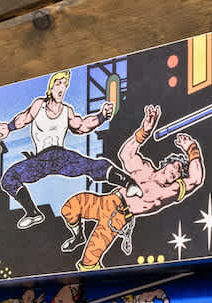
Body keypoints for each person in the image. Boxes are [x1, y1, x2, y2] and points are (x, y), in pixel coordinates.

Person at [57, 105, 204, 270]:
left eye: (180, 173)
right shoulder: (145, 168)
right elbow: (125, 154)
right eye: (176, 166)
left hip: (117, 218)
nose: (176, 173)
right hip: (106, 201)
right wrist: (144, 131)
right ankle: (78, 236)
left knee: (88, 262)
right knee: (69, 208)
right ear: (167, 163)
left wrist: (192, 148)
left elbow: (196, 179)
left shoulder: (170, 191)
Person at [0, 70, 117, 227]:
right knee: (8, 179)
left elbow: (82, 126)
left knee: (93, 166)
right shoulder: (39, 104)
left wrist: (101, 117)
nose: (62, 88)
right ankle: (33, 213)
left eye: (65, 85)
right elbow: (24, 118)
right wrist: (9, 127)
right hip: (40, 161)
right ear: (51, 88)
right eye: (58, 84)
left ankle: (127, 182)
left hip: (61, 157)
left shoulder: (67, 111)